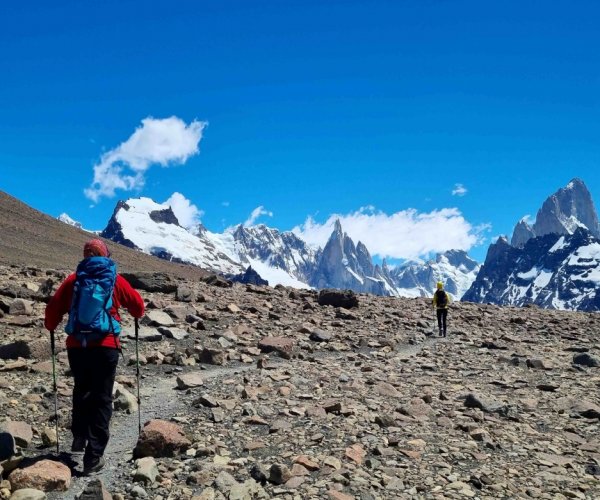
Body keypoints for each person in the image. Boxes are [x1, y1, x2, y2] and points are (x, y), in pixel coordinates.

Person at [45, 239, 144, 474]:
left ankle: (79, 438)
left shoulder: (73, 279)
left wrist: (51, 326)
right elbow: (138, 307)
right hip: (106, 345)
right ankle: (94, 456)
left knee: (82, 390)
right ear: (106, 255)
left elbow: (53, 310)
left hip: (77, 346)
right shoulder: (114, 279)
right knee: (102, 397)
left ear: (85, 255)